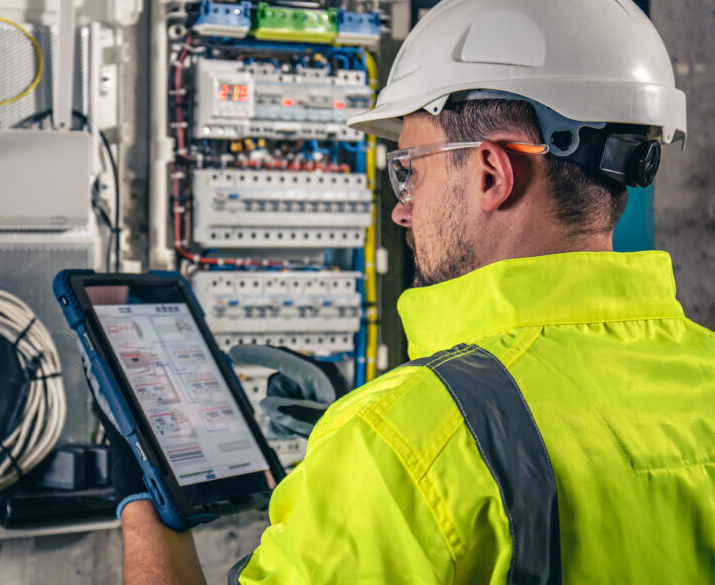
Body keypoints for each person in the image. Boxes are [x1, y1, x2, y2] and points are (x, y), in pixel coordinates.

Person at [117, 0, 715, 583]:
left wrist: (141, 494)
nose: (403, 212)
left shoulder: (395, 446)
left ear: (491, 174)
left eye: (411, 170)